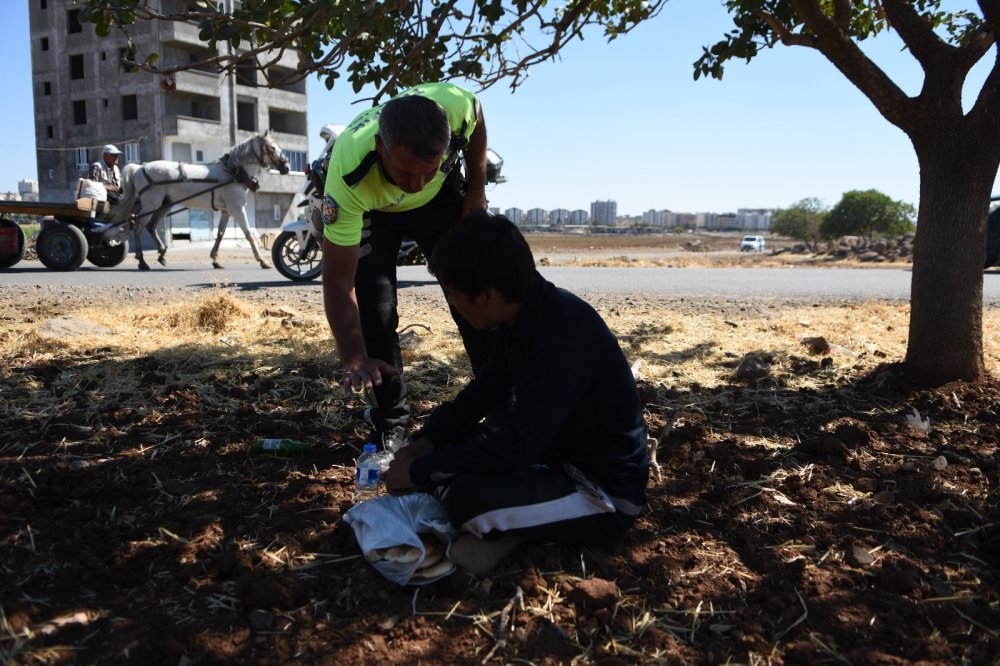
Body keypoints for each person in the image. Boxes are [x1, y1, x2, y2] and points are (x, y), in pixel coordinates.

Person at [384, 212, 650, 576]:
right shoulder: (525, 316)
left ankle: (510, 526)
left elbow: (517, 446)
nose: (454, 306)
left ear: (487, 295)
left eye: (454, 295)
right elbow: (486, 390)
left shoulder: (563, 333)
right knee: (452, 457)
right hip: (550, 455)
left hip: (599, 491)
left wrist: (421, 471)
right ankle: (517, 519)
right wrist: (427, 441)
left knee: (467, 501)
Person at [321, 82, 491, 446]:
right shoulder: (349, 173)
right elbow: (338, 280)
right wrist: (353, 356)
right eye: (405, 172)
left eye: (427, 169)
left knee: (472, 289)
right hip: (375, 210)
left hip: (442, 200)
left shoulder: (455, 105)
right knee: (375, 307)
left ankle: (503, 403)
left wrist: (477, 188)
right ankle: (390, 423)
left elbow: (477, 118)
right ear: (382, 148)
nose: (415, 184)